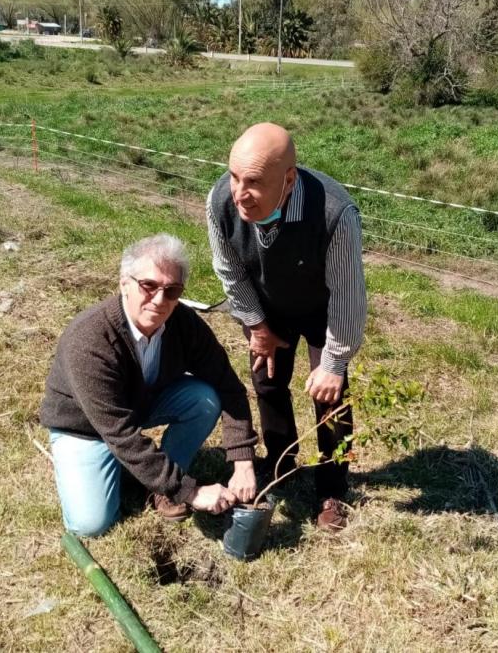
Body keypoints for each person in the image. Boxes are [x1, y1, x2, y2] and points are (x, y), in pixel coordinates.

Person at [39, 234, 258, 537]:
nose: (159, 300)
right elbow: (119, 432)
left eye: (172, 291)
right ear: (124, 283)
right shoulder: (90, 340)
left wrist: (243, 458)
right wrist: (191, 492)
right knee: (90, 525)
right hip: (85, 426)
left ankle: (160, 486)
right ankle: (130, 471)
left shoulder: (184, 324)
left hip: (140, 404)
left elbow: (229, 387)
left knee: (204, 398)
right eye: (149, 286)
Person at [206, 122, 367, 532]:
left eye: (255, 182)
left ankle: (332, 485)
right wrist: (257, 326)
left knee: (330, 397)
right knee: (268, 381)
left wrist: (333, 363)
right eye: (235, 176)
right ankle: (281, 464)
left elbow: (347, 296)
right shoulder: (221, 201)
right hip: (266, 304)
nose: (240, 194)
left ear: (289, 180)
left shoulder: (334, 213)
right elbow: (229, 271)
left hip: (322, 308)